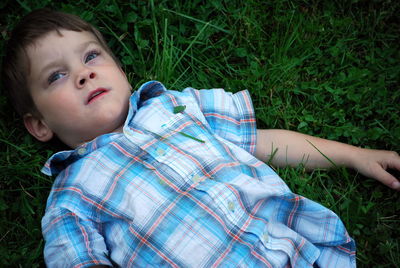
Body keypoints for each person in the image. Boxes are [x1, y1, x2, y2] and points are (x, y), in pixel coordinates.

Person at [2, 8, 399, 268]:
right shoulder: (72, 196)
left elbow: (262, 142)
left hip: (292, 253)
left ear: (121, 72)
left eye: (91, 57)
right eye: (56, 76)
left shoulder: (177, 107)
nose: (83, 74)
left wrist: (353, 154)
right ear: (39, 125)